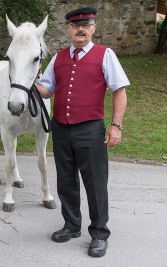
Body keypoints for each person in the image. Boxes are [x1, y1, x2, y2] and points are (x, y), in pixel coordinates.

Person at [35, 7, 129, 257]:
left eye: (85, 26)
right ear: (69, 29)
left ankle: (99, 234)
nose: (80, 30)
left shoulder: (105, 54)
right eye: (76, 26)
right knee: (66, 181)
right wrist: (28, 82)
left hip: (90, 129)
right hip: (61, 128)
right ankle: (71, 225)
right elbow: (46, 89)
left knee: (95, 183)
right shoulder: (59, 57)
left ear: (93, 29)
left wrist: (116, 125)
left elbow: (119, 91)